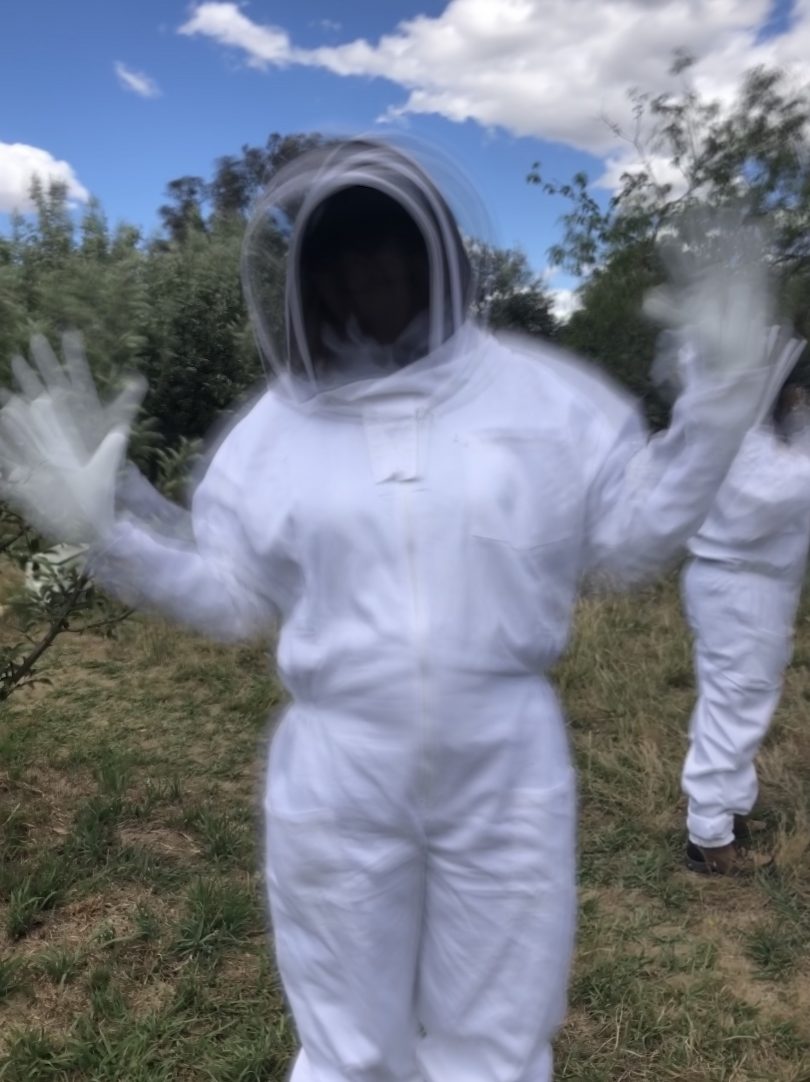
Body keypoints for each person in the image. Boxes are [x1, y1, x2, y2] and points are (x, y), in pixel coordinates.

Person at [0, 139, 790, 1082]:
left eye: (388, 244)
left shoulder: (546, 399)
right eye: (343, 251)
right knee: (346, 1043)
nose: (368, 270)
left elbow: (625, 544)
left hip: (505, 757)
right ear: (311, 276)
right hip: (337, 763)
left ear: (437, 253)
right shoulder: (273, 432)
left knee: (496, 1042)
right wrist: (109, 534)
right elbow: (233, 595)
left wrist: (717, 411)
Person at [678, 354, 810, 876]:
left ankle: (725, 808)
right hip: (741, 584)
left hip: (747, 583)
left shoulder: (750, 428)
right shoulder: (739, 430)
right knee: (735, 704)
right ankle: (710, 838)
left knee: (740, 701)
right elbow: (759, 501)